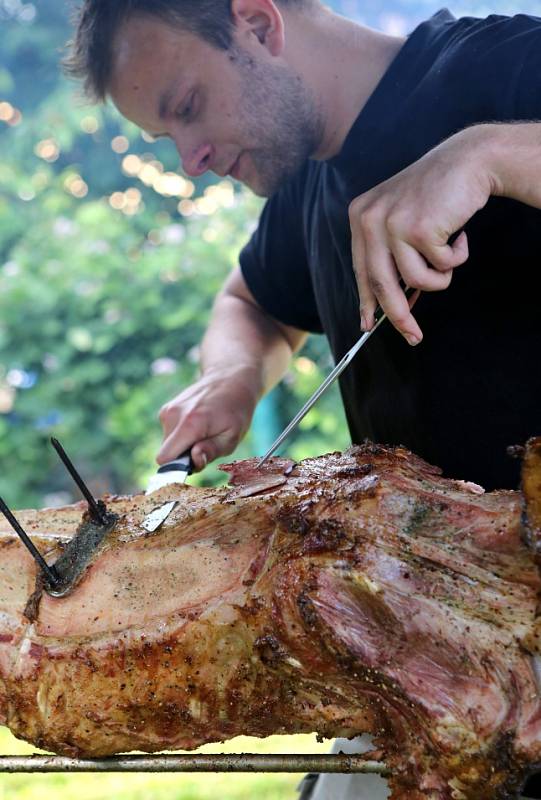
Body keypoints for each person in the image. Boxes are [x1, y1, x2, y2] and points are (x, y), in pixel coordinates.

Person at [66, 0, 541, 796]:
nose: (191, 157)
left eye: (186, 109)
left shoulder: (501, 65)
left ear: (257, 23)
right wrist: (235, 374)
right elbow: (244, 302)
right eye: (166, 138)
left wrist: (487, 154)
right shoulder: (304, 185)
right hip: (408, 643)